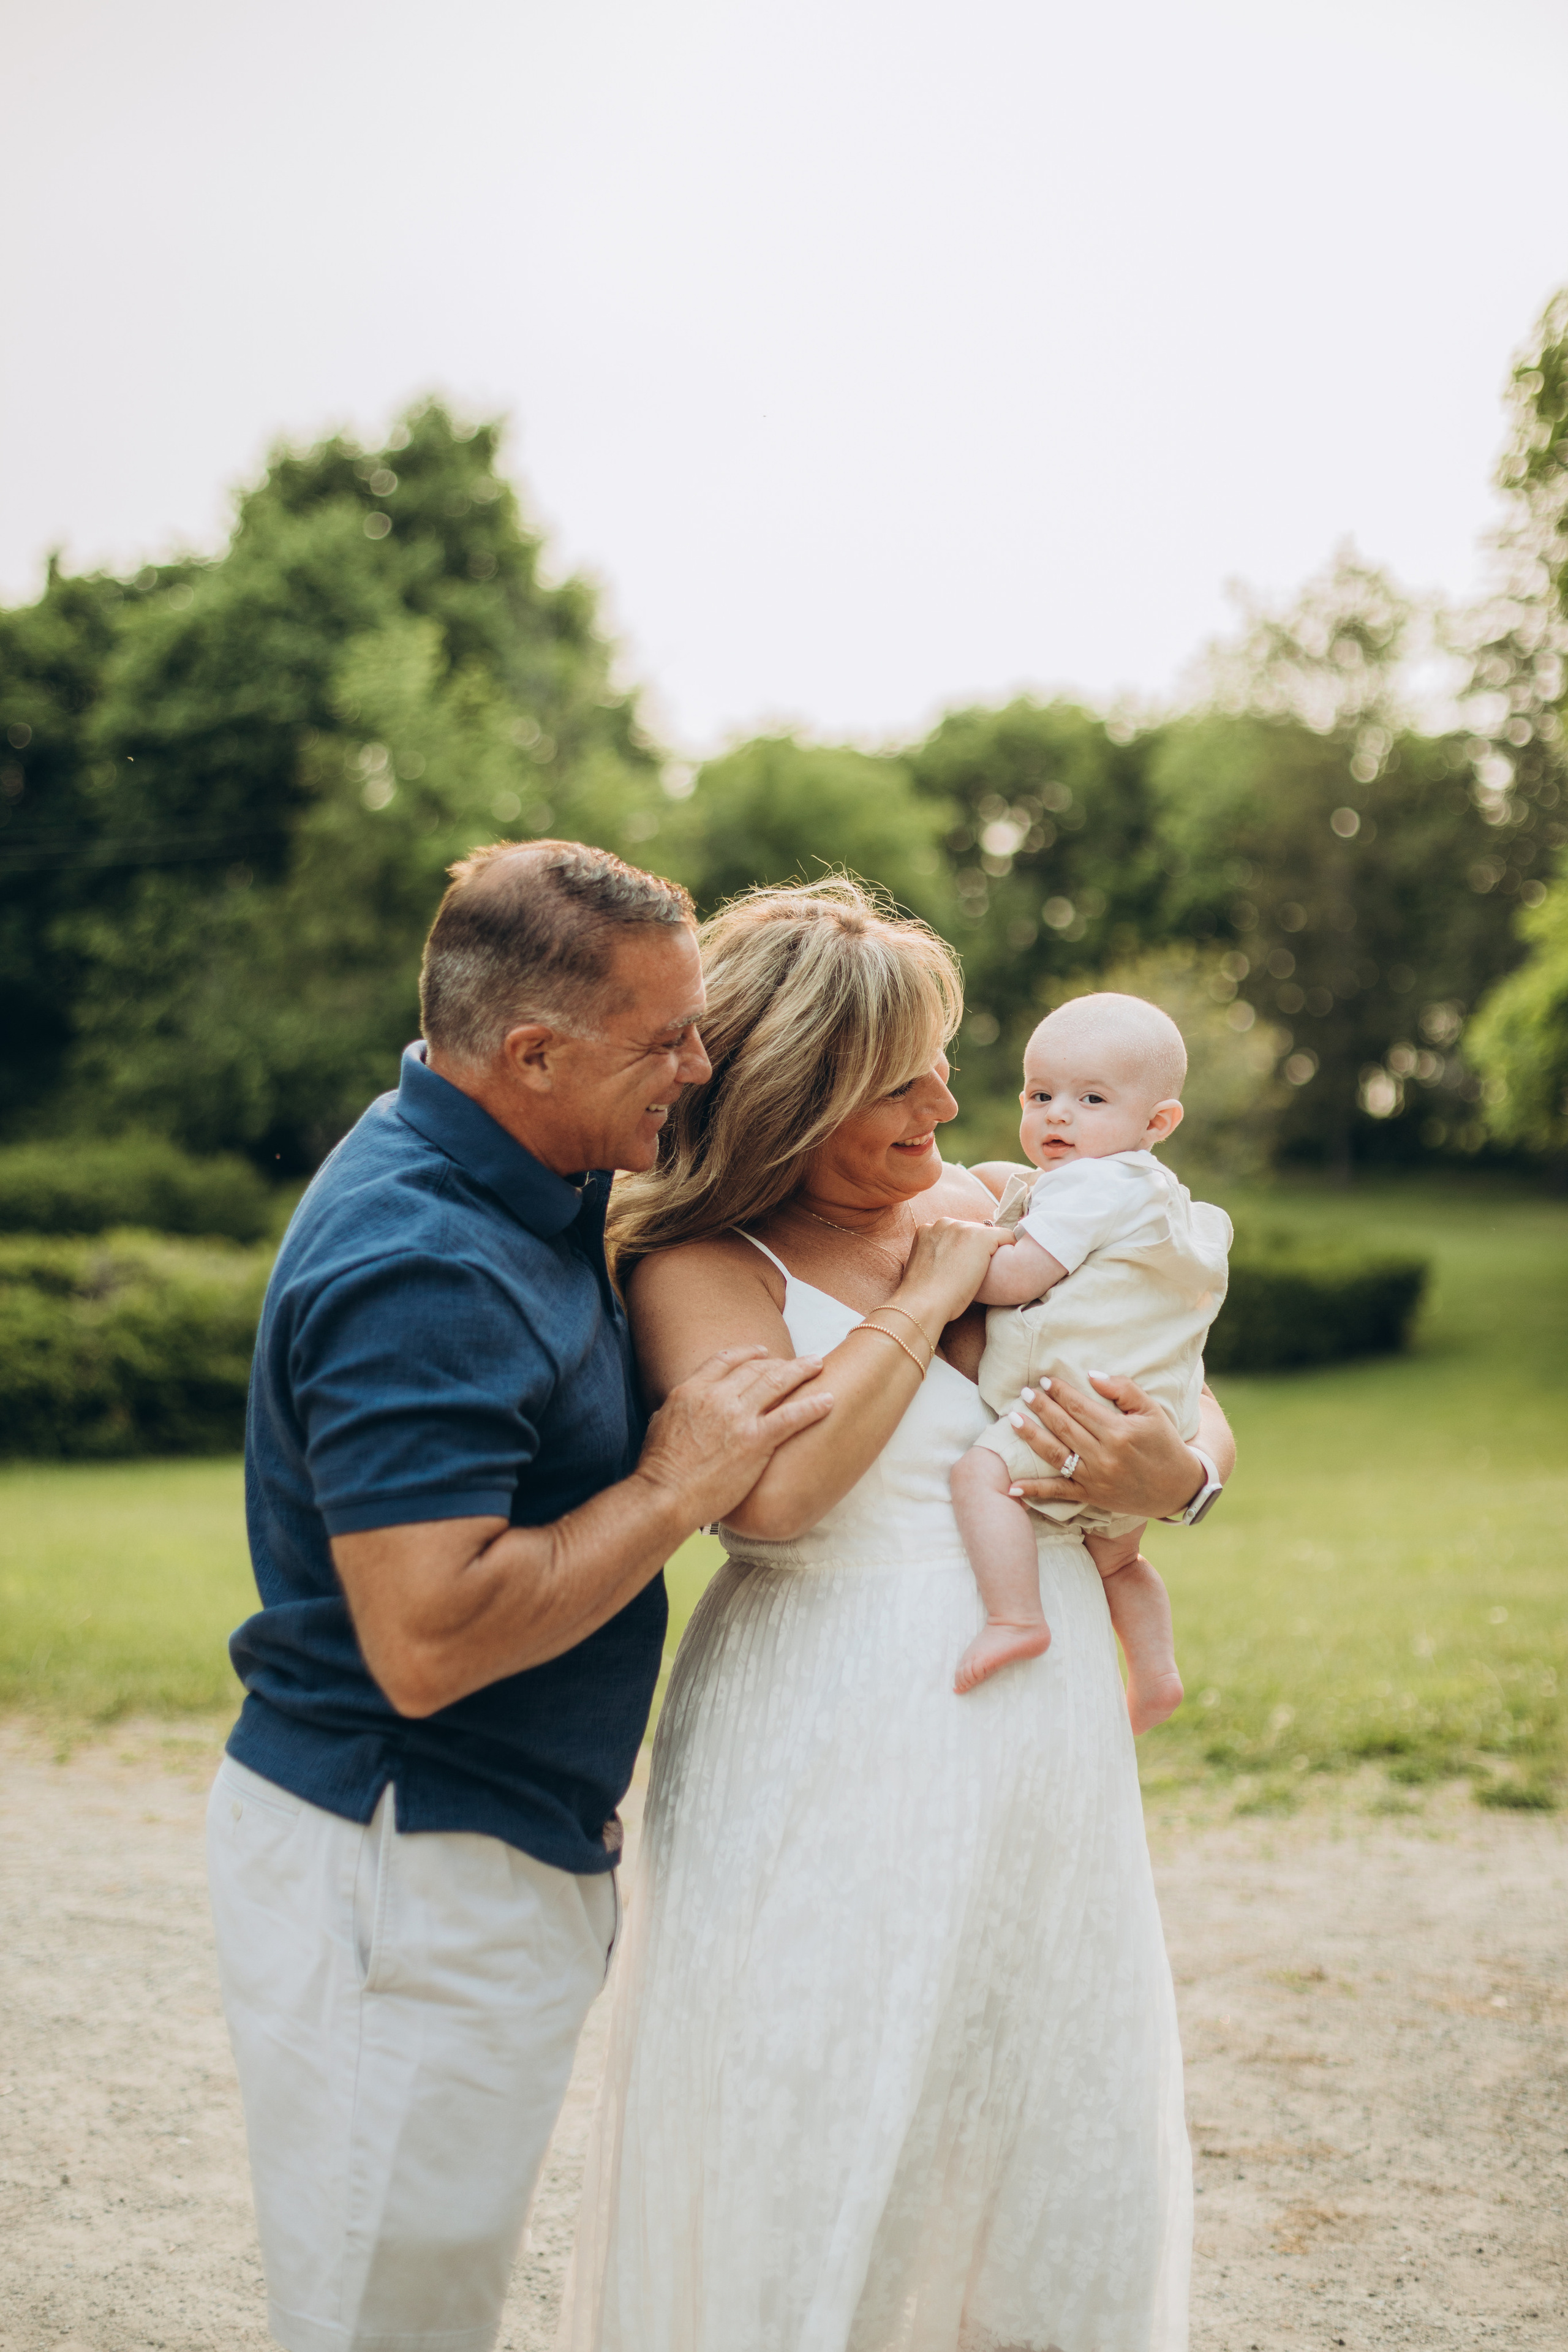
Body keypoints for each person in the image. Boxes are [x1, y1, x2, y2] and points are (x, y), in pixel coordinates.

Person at [558, 878, 1235, 2352]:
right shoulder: (699, 1266)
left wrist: (1176, 1476)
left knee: (1039, 2098)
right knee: (812, 2101)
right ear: (797, 1096)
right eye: (901, 1077)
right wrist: (923, 1300)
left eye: (948, 1059)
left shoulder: (996, 1198)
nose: (948, 1098)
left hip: (1038, 1730)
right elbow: (774, 1499)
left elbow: (1171, 1374)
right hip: (825, 1722)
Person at [206, 840, 832, 2352]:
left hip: (479, 1852)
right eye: (667, 1037)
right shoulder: (422, 1258)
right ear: (529, 1051)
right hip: (408, 1863)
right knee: (387, 2319)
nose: (699, 1063)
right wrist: (674, 1487)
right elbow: (430, 1638)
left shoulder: (532, 1166)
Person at [950, 992, 1231, 1722]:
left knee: (979, 1475)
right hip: (1147, 1419)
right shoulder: (1149, 1193)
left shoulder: (1094, 1186)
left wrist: (949, 1258)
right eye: (1040, 1094)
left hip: (1072, 1415)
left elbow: (1014, 1277)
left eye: (1090, 1098)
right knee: (1121, 1560)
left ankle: (1015, 1617)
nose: (1057, 1115)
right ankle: (1156, 1671)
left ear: (1157, 1121)